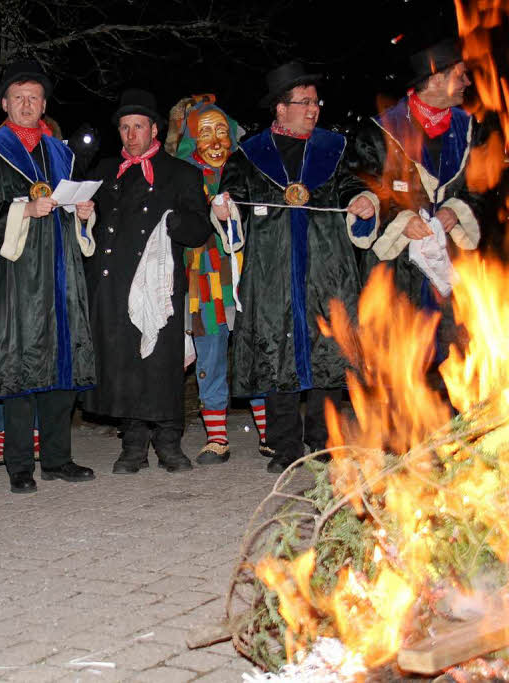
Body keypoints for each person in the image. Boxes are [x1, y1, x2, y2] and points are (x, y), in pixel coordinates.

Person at [214, 62, 378, 473]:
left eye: (315, 102)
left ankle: (323, 442)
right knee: (277, 355)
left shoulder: (332, 148)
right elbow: (229, 200)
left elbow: (353, 187)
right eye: (303, 103)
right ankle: (286, 447)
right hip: (272, 273)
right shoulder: (250, 154)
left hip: (326, 269)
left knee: (328, 354)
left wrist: (364, 202)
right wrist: (225, 206)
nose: (313, 110)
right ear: (280, 108)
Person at [0, 60, 97, 493]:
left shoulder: (61, 151)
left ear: (44, 104)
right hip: (17, 272)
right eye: (19, 98)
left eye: (34, 98)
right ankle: (19, 465)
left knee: (62, 365)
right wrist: (23, 208)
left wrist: (83, 214)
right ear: (5, 103)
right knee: (22, 365)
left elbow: (74, 203)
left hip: (62, 271)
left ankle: (59, 459)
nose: (27, 105)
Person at [85, 89, 213, 473]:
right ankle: (133, 446)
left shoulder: (181, 173)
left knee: (160, 364)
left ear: (154, 129)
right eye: (124, 127)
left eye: (137, 126)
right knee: (124, 364)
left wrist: (177, 223)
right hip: (112, 285)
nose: (130, 134)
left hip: (159, 286)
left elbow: (200, 229)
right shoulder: (105, 172)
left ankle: (169, 443)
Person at [351, 39, 482, 389]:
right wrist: (399, 216)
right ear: (437, 79)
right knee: (402, 360)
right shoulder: (380, 131)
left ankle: (458, 439)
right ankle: (401, 442)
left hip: (453, 267)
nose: (468, 83)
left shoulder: (470, 129)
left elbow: (483, 189)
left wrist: (457, 210)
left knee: (456, 357)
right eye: (461, 75)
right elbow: (361, 186)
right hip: (399, 271)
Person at [165, 94, 257, 463]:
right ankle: (217, 436)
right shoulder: (181, 174)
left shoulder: (248, 169)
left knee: (256, 348)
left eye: (222, 131)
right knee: (212, 350)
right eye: (205, 133)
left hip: (249, 273)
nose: (216, 141)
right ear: (191, 140)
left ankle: (268, 433)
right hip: (203, 277)